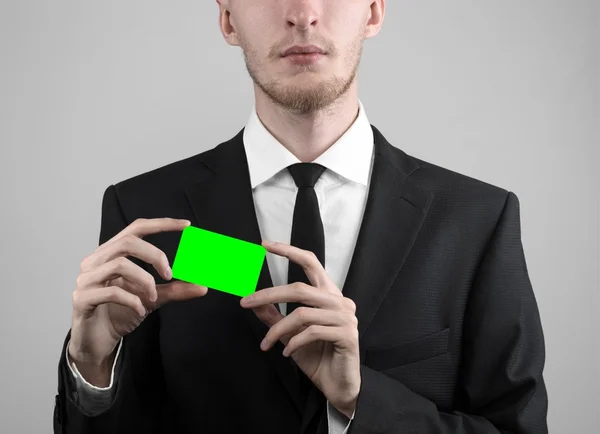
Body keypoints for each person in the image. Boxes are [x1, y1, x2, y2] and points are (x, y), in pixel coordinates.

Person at [53, 1, 549, 433]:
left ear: (373, 11)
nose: (302, 14)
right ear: (228, 20)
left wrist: (361, 400)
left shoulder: (476, 221)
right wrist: (92, 367)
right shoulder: (148, 213)